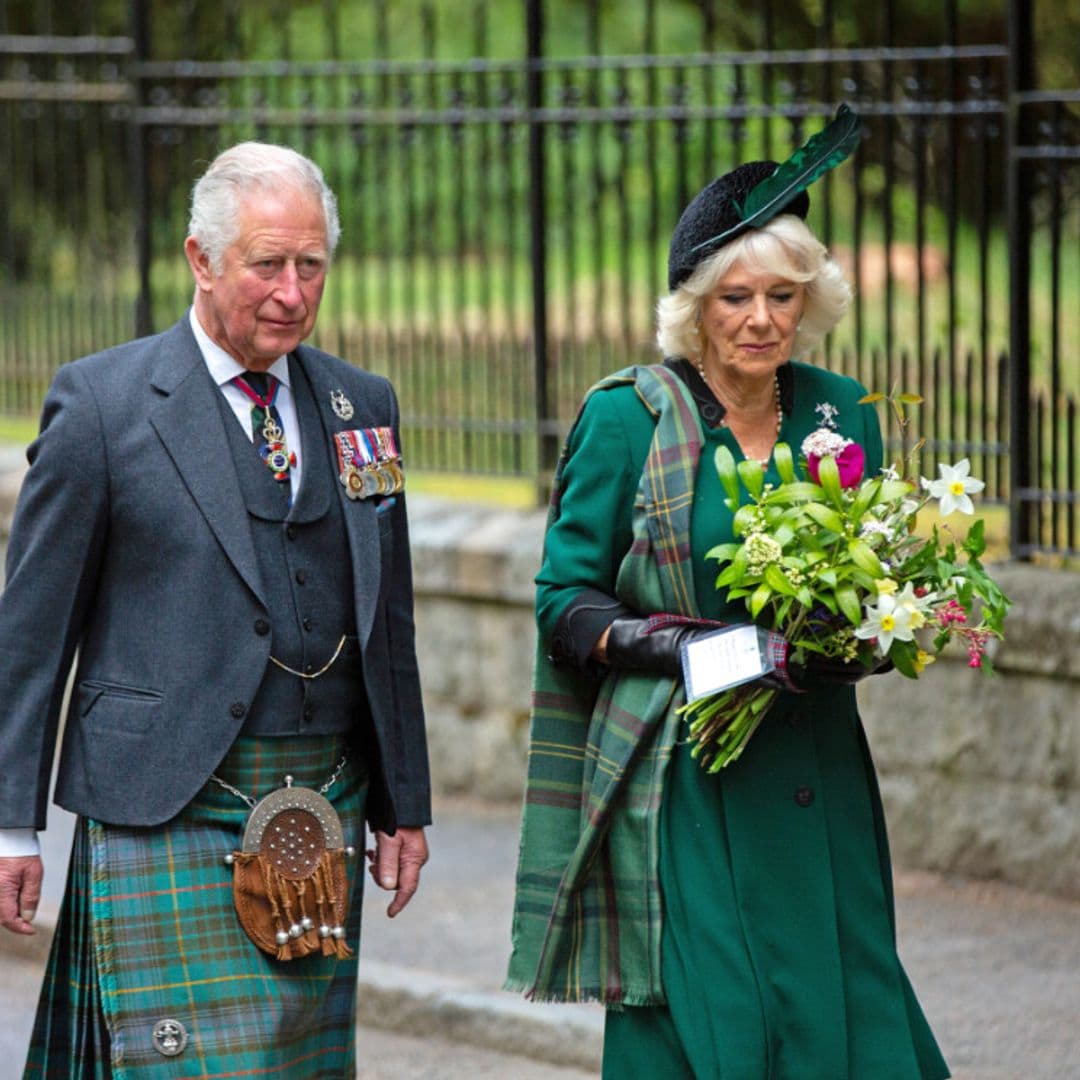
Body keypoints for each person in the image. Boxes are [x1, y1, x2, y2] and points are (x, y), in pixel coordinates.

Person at [507, 108, 950, 1078]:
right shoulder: (629, 419)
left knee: (845, 986)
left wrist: (870, 632)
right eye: (735, 296)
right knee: (722, 1010)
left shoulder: (843, 411)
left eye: (783, 296)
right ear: (696, 306)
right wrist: (695, 650)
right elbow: (563, 600)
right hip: (687, 780)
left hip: (813, 767)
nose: (760, 320)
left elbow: (874, 569)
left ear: (811, 300)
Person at [0, 141, 431, 1077]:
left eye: (310, 266)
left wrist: (406, 801)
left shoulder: (363, 405)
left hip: (323, 801)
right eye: (266, 265)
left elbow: (385, 620)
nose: (291, 291)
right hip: (164, 803)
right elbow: (31, 633)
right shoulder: (105, 405)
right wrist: (11, 824)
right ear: (201, 260)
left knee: (296, 1064)